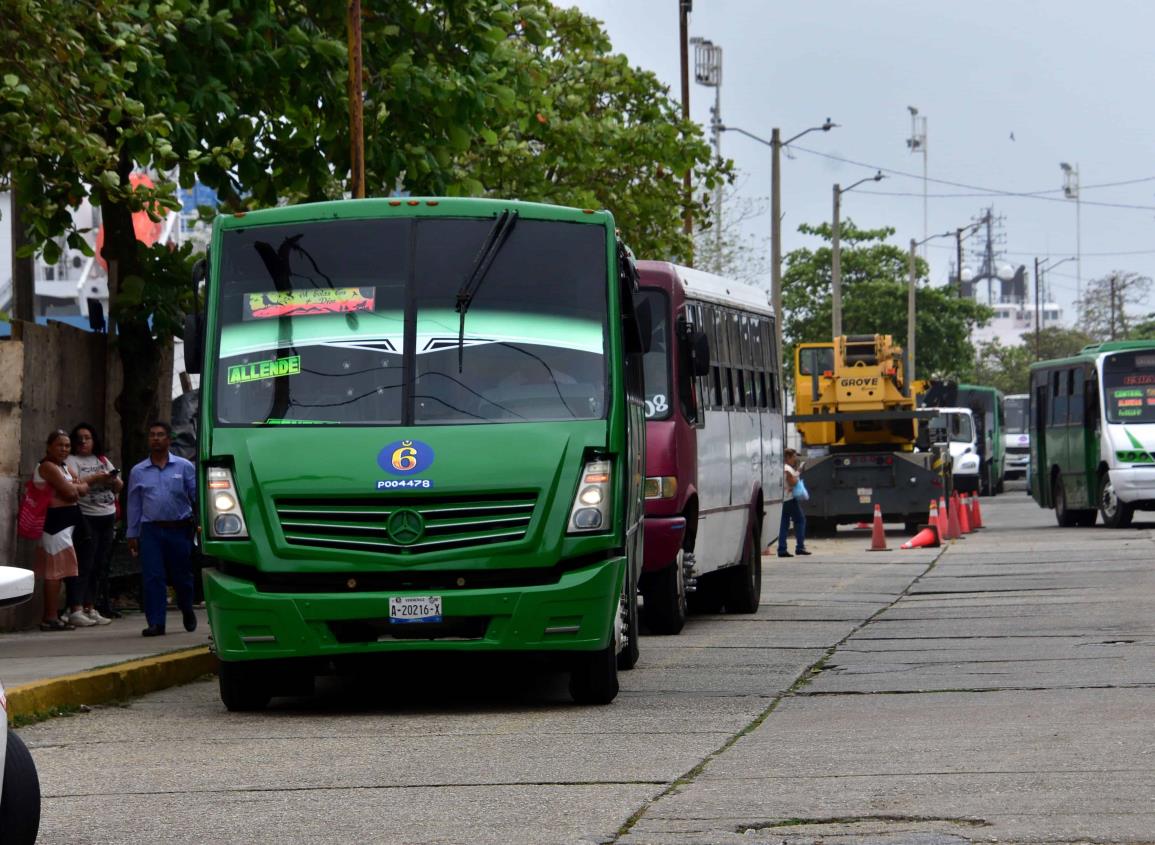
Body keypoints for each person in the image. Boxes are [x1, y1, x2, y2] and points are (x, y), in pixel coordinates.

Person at [126, 421, 198, 637]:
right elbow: (134, 503)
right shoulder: (138, 471)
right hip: (151, 530)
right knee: (153, 576)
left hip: (179, 528)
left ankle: (187, 607)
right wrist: (132, 533)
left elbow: (195, 496)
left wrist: (202, 521)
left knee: (182, 576)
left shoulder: (184, 466)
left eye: (160, 435)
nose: (156, 438)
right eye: (152, 435)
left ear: (169, 439)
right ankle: (156, 623)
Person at [64, 423, 123, 626]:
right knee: (84, 562)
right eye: (79, 438)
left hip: (107, 514)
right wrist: (95, 478)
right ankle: (76, 607)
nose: (83, 442)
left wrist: (113, 480)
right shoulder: (70, 460)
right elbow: (74, 484)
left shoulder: (102, 459)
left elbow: (120, 485)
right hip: (86, 515)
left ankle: (91, 606)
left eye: (87, 437)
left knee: (99, 563)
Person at [33, 430, 89, 630]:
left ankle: (52, 616)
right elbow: (71, 492)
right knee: (54, 573)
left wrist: (75, 488)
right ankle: (50, 617)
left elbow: (82, 488)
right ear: (49, 446)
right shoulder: (47, 466)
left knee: (61, 571)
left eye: (67, 446)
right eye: (60, 445)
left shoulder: (63, 467)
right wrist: (73, 488)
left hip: (66, 526)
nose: (64, 449)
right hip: (54, 526)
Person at [778, 448, 811, 558]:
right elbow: (791, 482)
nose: (795, 459)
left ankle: (782, 549)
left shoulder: (780, 467)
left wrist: (797, 472)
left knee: (784, 524)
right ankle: (800, 547)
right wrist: (797, 478)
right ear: (787, 457)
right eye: (793, 457)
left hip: (782, 500)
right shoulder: (787, 468)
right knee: (800, 520)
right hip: (790, 499)